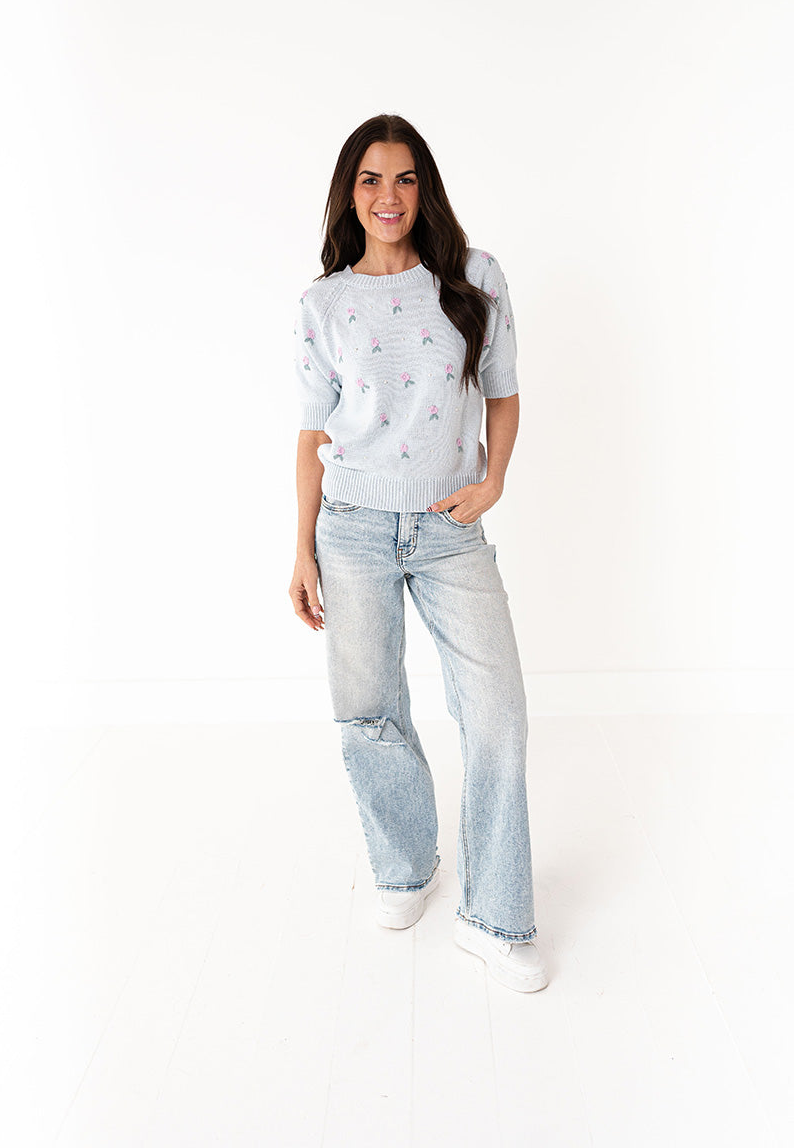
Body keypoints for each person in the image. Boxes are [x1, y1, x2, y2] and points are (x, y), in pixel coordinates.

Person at [288, 114, 548, 994]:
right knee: (369, 712)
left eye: (404, 178)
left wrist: (494, 480)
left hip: (448, 527)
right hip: (352, 526)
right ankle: (405, 867)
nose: (388, 195)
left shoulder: (474, 277)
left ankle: (496, 916)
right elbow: (312, 436)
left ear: (424, 187)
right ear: (349, 193)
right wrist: (301, 548)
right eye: (370, 178)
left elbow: (503, 393)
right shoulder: (324, 304)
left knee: (497, 713)